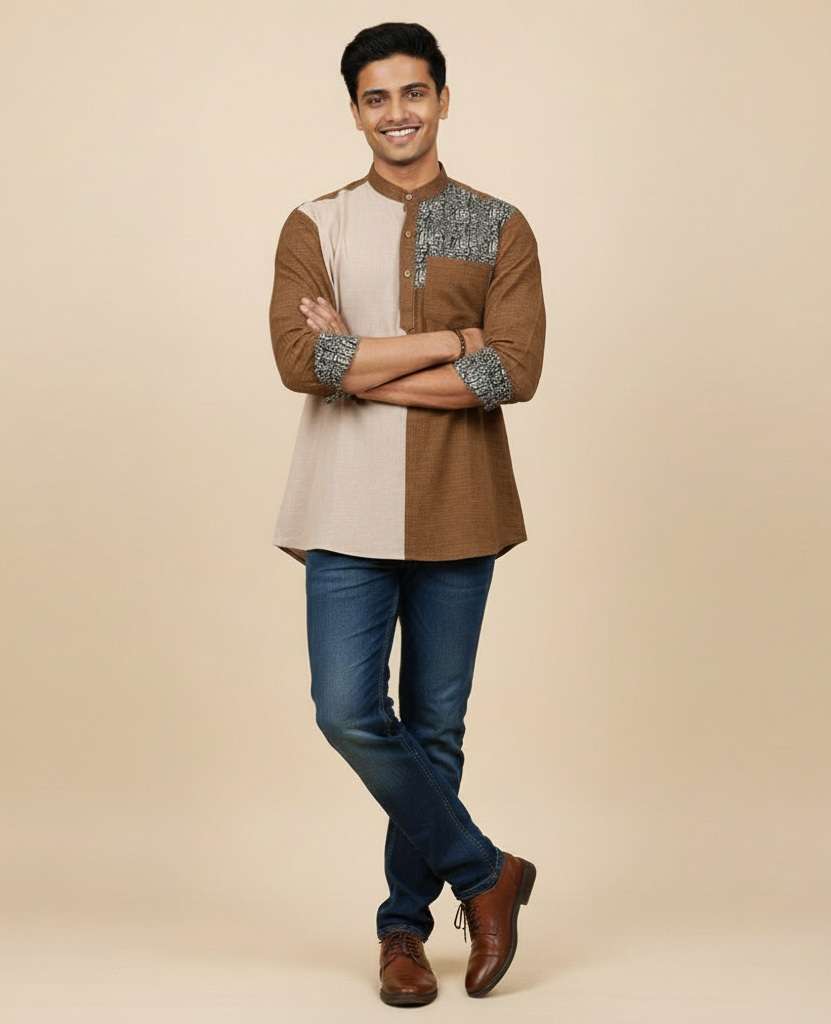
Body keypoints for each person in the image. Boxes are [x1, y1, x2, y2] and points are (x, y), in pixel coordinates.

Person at [267, 21, 545, 1005]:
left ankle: (402, 933)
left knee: (435, 728)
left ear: (442, 99)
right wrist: (451, 342)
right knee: (346, 710)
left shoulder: (494, 224)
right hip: (344, 505)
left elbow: (513, 370)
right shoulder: (317, 224)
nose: (397, 113)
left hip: (459, 504)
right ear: (356, 112)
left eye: (413, 92)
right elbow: (304, 361)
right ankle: (486, 871)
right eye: (376, 97)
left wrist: (367, 366)